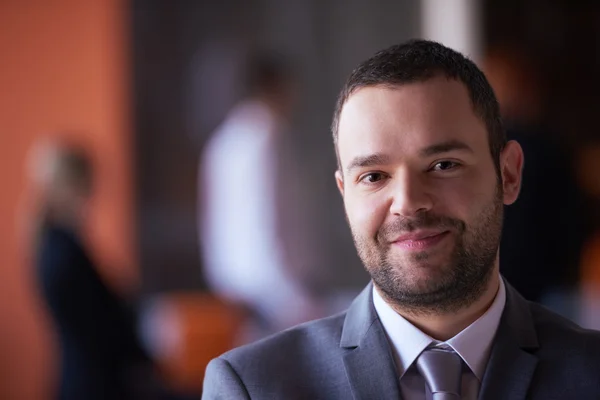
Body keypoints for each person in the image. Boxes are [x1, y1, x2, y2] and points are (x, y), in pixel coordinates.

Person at [201, 40, 600, 399]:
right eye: (373, 176)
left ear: (509, 174)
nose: (408, 203)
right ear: (346, 196)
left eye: (444, 165)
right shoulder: (253, 387)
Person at [199, 52, 321, 341]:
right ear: (277, 87)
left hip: (235, 290)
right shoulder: (268, 135)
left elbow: (211, 224)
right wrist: (294, 297)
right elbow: (267, 219)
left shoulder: (223, 139)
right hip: (276, 294)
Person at [31, 139, 151, 400]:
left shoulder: (54, 244)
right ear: (72, 186)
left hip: (83, 380)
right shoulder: (64, 253)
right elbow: (99, 327)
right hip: (93, 386)